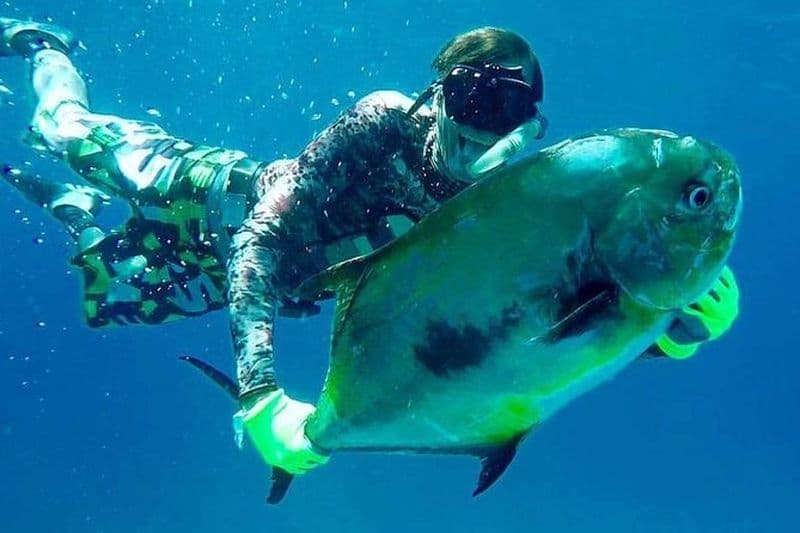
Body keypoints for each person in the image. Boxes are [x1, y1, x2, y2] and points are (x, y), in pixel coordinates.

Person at [0, 18, 739, 477]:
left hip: (259, 291)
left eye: (507, 112)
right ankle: (45, 49)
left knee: (110, 291)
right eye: (472, 100)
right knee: (65, 135)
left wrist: (673, 331)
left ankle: (78, 213)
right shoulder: (384, 122)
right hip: (210, 198)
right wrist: (259, 395)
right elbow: (260, 239)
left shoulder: (502, 205)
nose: (479, 132)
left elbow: (533, 329)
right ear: (442, 91)